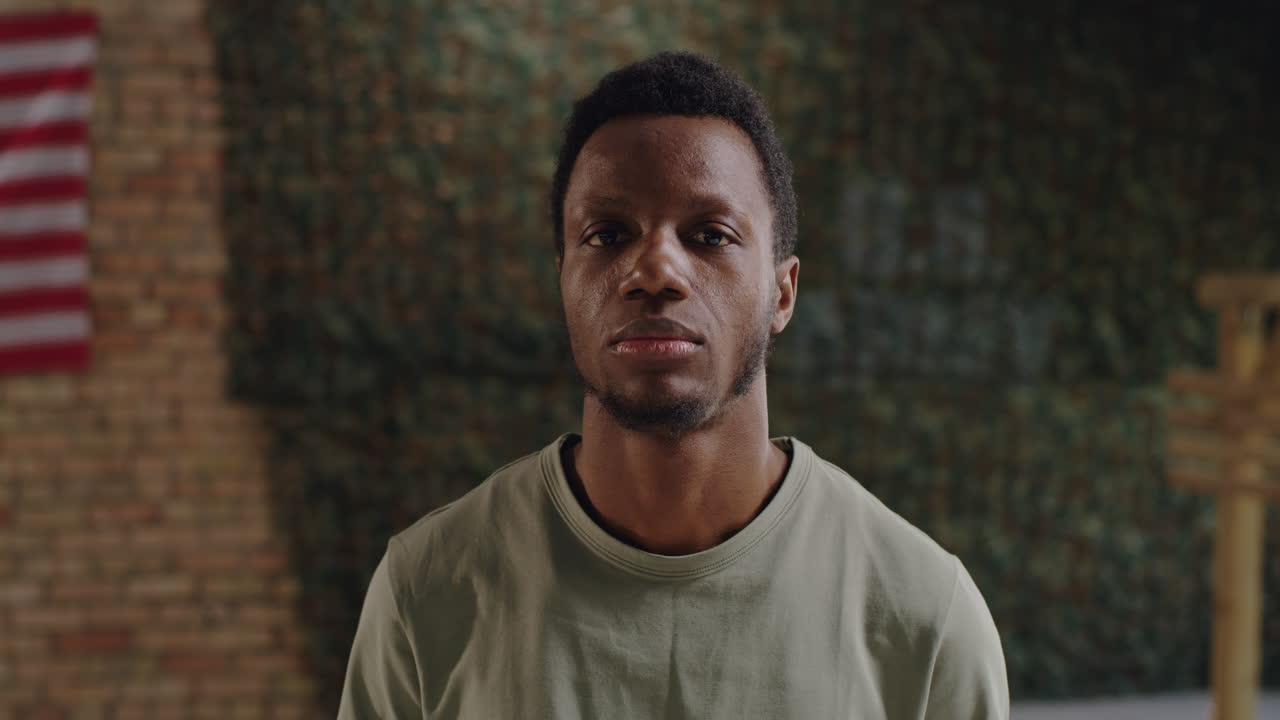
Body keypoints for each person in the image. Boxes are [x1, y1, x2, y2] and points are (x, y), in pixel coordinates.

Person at [337, 50, 1008, 719]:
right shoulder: (428, 590)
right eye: (607, 234)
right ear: (562, 279)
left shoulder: (923, 616)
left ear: (782, 292)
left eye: (710, 234)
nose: (655, 269)